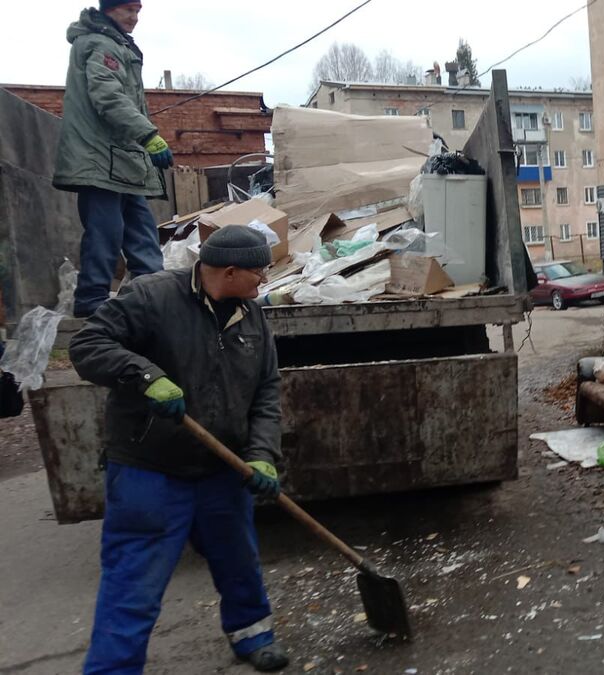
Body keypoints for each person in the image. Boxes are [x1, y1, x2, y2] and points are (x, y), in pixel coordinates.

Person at [70, 226, 288, 673]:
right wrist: (145, 375)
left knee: (239, 561)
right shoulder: (152, 298)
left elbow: (266, 391)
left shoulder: (251, 318)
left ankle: (253, 636)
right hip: (150, 469)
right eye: (259, 273)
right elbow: (87, 345)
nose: (263, 282)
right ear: (229, 271)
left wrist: (263, 452)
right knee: (134, 579)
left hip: (222, 470)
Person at [53, 1, 174, 319]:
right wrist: (148, 135)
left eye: (138, 12)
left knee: (143, 230)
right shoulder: (99, 43)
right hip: (98, 160)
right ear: (109, 10)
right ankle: (91, 300)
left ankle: (155, 295)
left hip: (121, 161)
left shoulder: (117, 43)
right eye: (128, 11)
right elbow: (107, 95)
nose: (134, 18)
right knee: (106, 231)